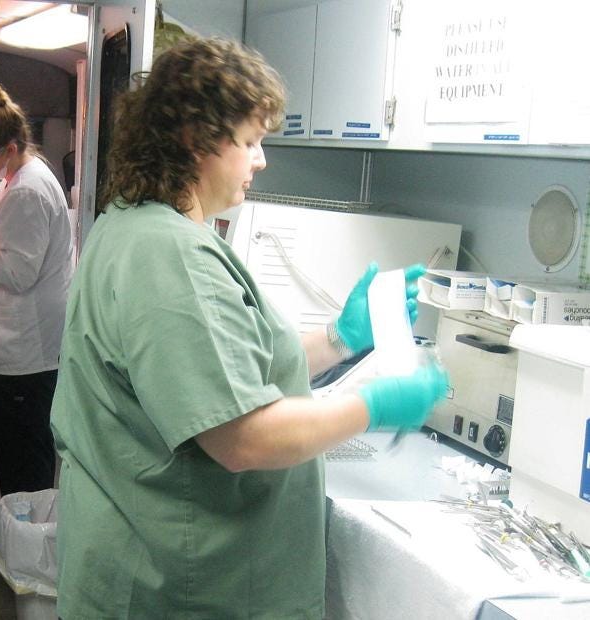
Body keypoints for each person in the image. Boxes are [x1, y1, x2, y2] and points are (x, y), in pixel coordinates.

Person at [49, 37, 449, 619]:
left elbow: (226, 370)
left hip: (142, 560)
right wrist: (373, 404)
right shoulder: (170, 255)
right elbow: (242, 437)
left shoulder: (134, 226)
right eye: (251, 141)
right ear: (195, 139)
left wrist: (341, 338)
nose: (261, 159)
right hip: (177, 585)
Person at [0, 82, 75, 498]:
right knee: (17, 451)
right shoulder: (17, 179)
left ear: (8, 145)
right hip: (20, 346)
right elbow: (10, 248)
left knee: (24, 457)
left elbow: (20, 273)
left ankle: (26, 555)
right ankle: (17, 543)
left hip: (29, 352)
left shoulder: (27, 190)